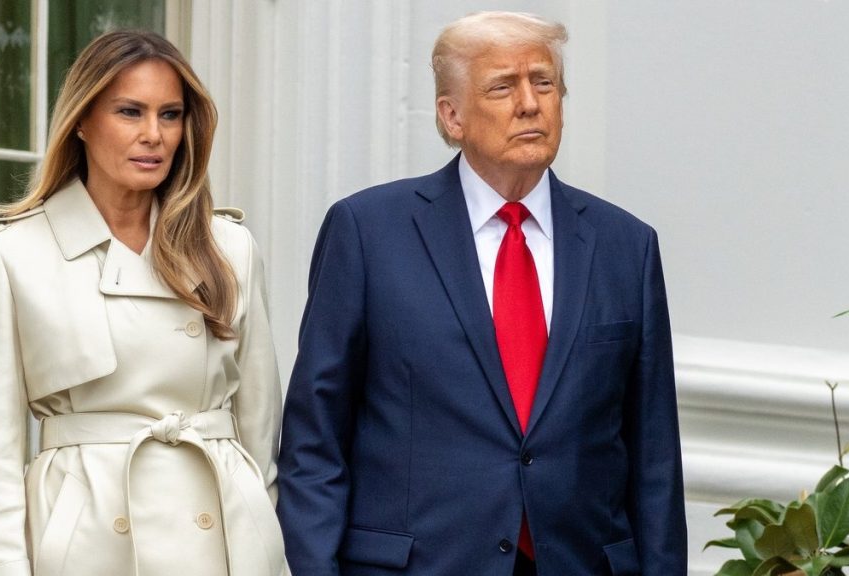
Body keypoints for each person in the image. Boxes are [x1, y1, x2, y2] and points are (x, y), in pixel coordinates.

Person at [277, 11, 686, 576]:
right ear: (452, 116)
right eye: (502, 87)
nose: (530, 104)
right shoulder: (368, 232)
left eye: (544, 82)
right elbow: (314, 439)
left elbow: (654, 458)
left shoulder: (626, 245)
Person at [0, 30, 286, 576]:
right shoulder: (14, 253)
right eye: (130, 112)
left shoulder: (230, 248)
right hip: (88, 541)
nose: (153, 135)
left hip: (219, 537)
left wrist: (263, 540)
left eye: (170, 115)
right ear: (82, 122)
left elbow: (261, 436)